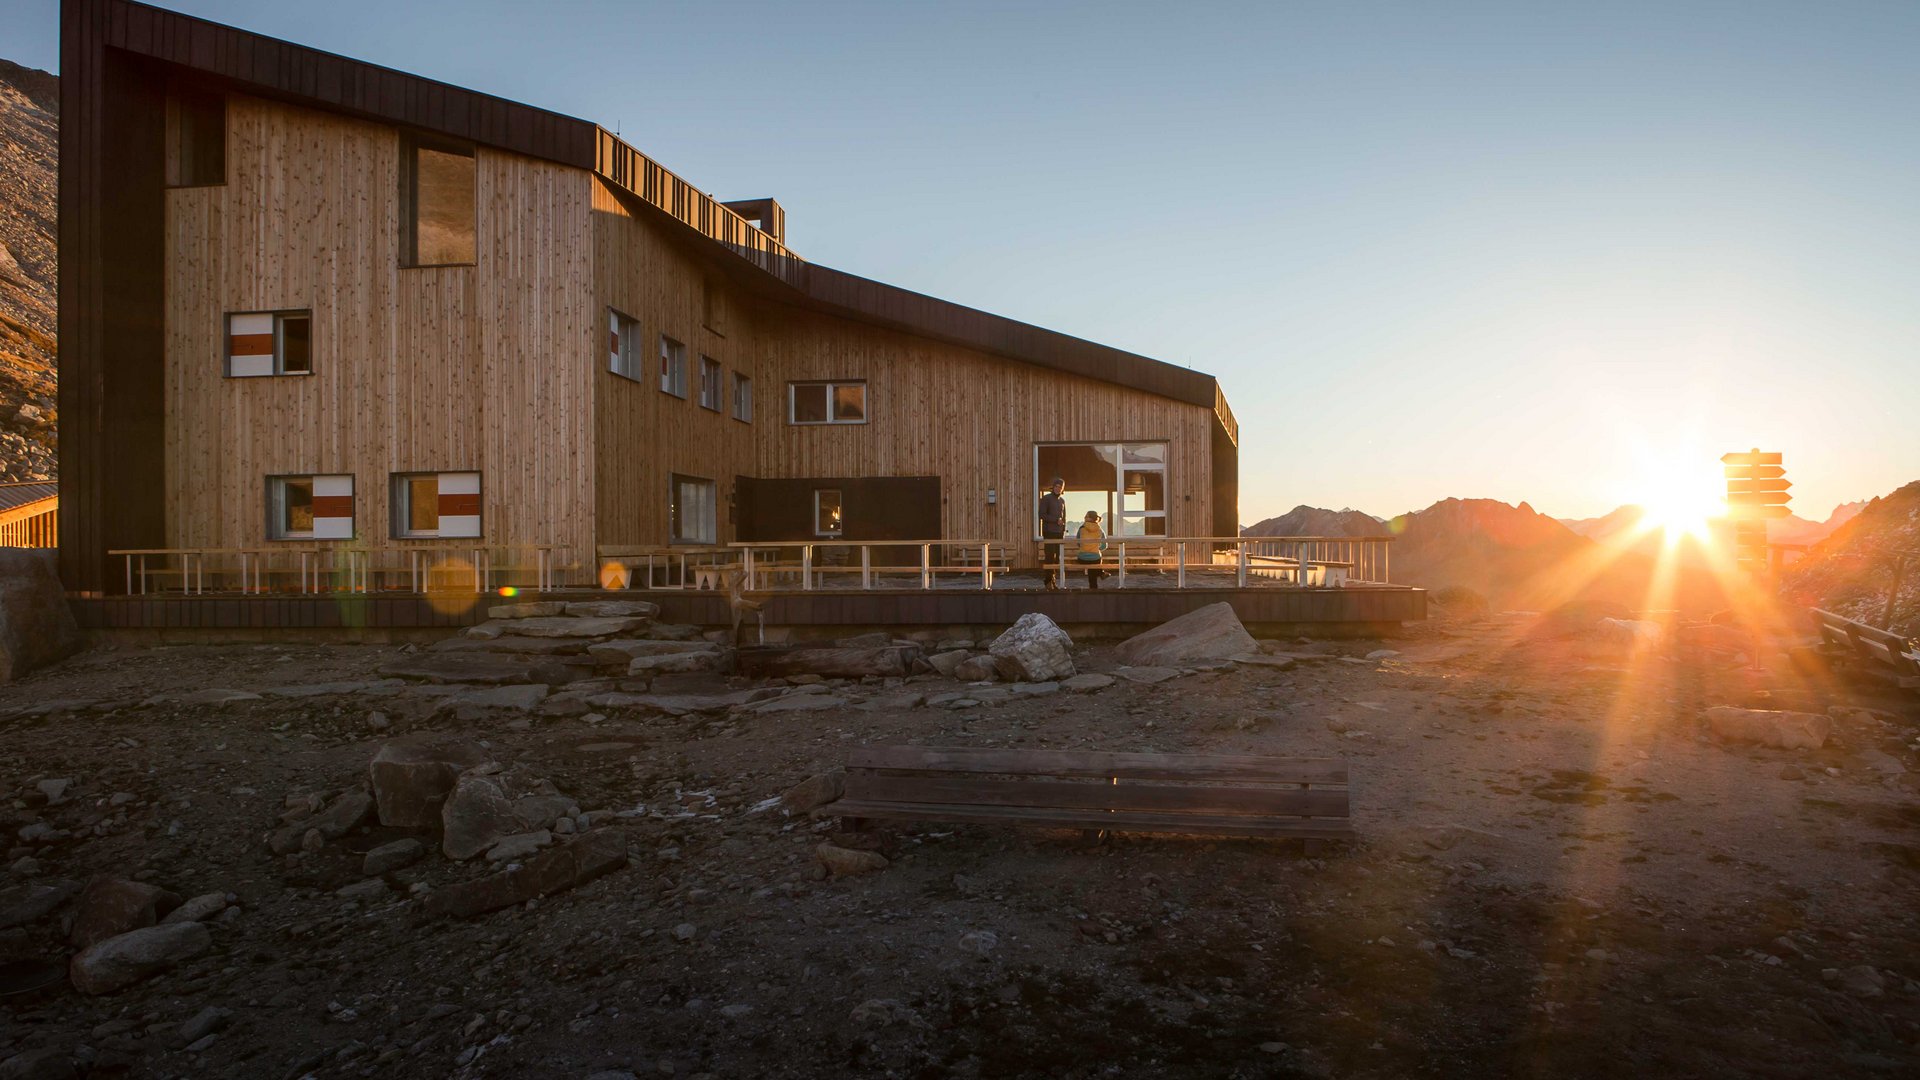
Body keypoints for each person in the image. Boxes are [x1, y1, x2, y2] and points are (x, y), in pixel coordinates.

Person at [1038, 477, 1067, 589]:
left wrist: (1063, 530)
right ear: (1053, 487)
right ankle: (1048, 581)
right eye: (1057, 486)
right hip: (1049, 532)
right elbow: (1042, 514)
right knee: (1049, 557)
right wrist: (1055, 520)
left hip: (1059, 533)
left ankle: (1053, 580)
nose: (1058, 488)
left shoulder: (1062, 501)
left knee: (1057, 558)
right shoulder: (1046, 499)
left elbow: (1064, 517)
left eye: (1061, 487)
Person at [1076, 510, 1108, 589]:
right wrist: (1096, 549)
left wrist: (1085, 548)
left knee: (1091, 568)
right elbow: (1104, 546)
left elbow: (1078, 543)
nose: (1084, 517)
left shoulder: (1081, 529)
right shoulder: (1100, 530)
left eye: (1086, 516)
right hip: (1095, 559)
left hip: (1082, 558)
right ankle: (1100, 575)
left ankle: (1100, 575)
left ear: (1090, 518)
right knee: (1094, 564)